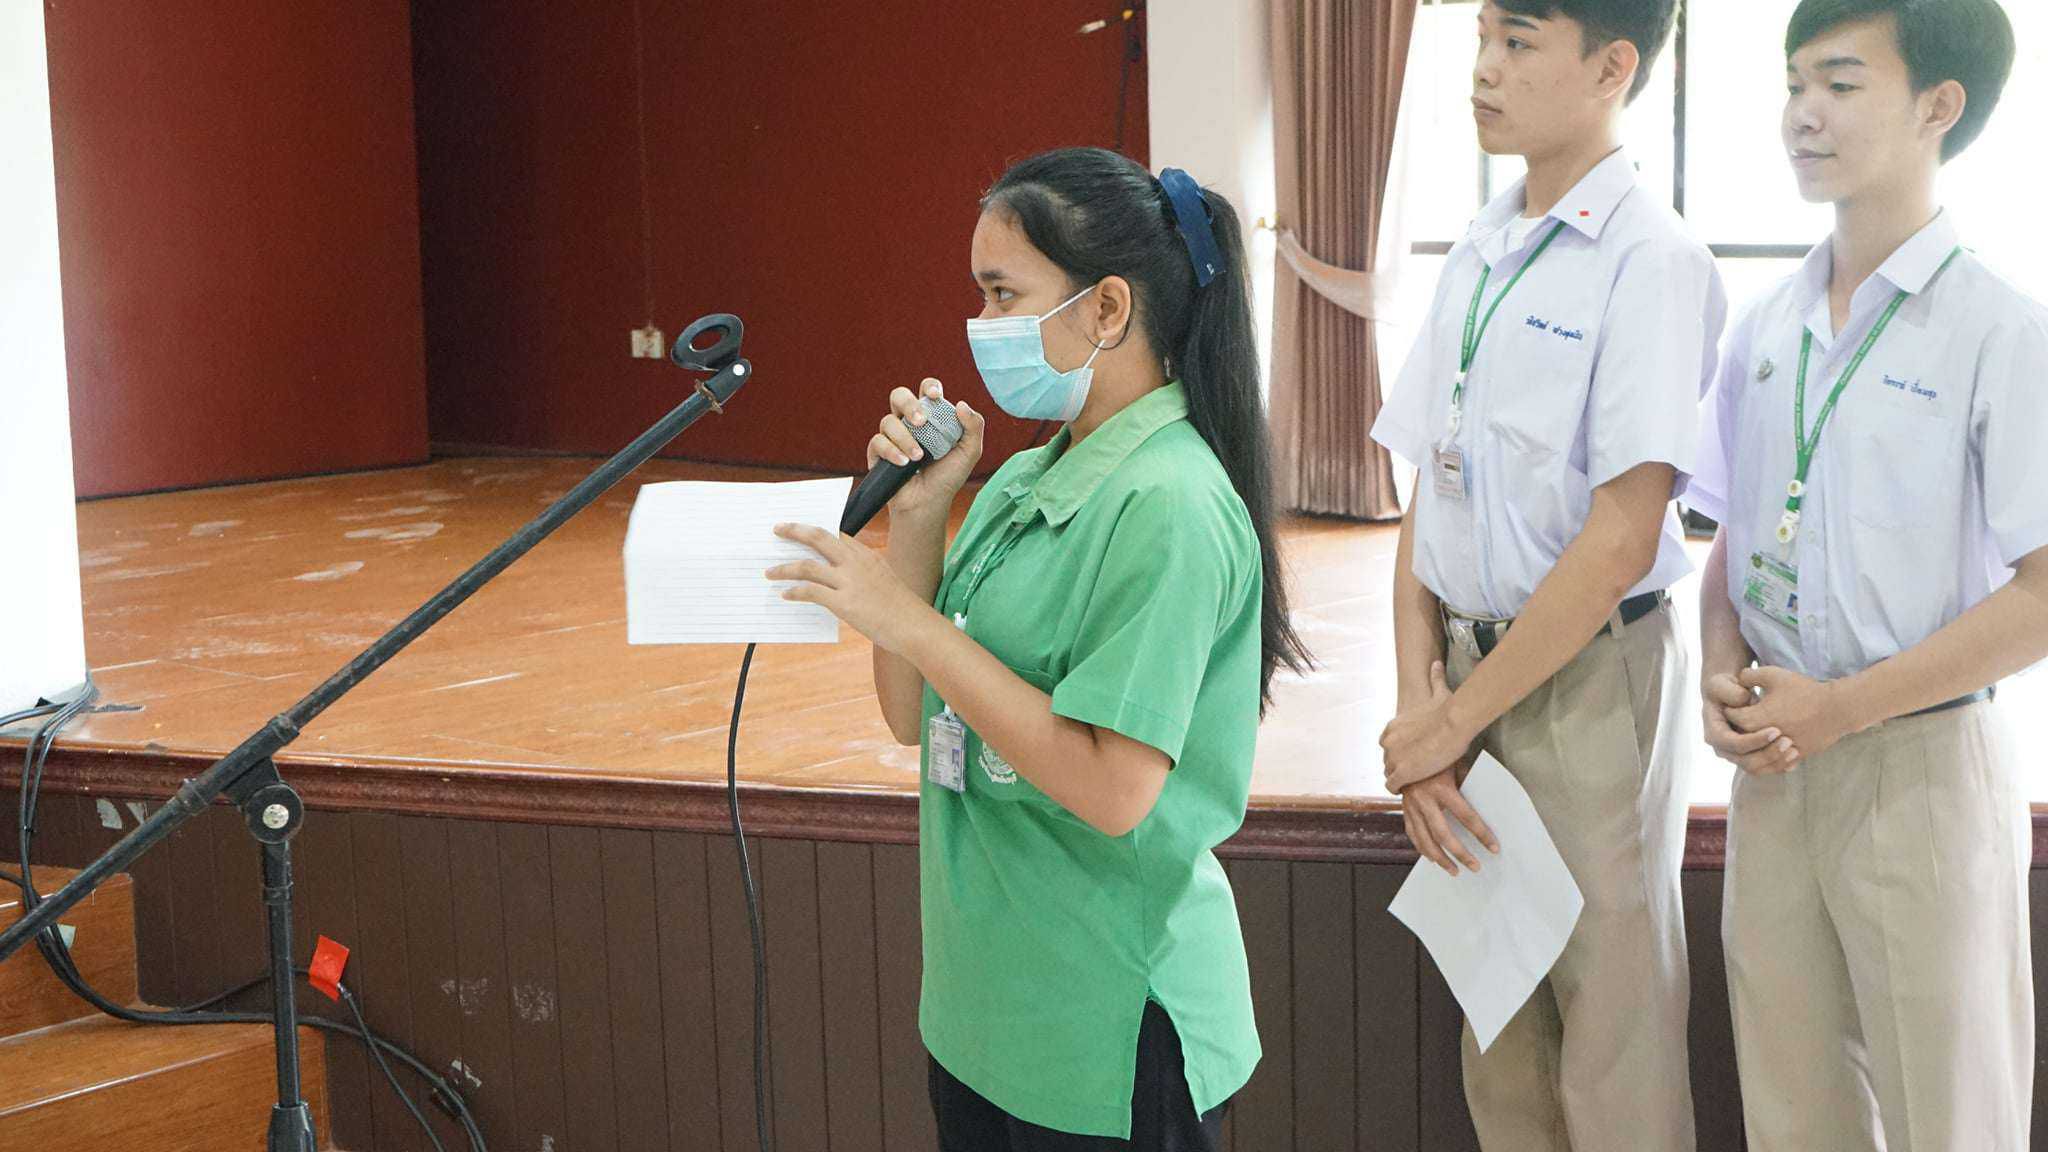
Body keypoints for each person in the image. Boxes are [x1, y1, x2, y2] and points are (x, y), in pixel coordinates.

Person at [767, 146, 1309, 1150]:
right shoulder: (1023, 481)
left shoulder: (1171, 504)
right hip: (985, 1013)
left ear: (1107, 308)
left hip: (1104, 1028)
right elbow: (911, 714)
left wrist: (910, 620)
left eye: (1002, 294)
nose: (981, 325)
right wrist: (919, 519)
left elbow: (1113, 789)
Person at [1687, 1, 2044, 1146]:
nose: (1802, 113)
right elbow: (1730, 538)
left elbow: (2042, 596)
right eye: (1793, 82)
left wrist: (1839, 708)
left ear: (1937, 106)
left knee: (1950, 1116)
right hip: (1776, 768)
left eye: (1839, 84)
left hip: (1916, 766)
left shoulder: (1998, 330)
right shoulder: (1764, 325)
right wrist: (1718, 673)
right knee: (1792, 1113)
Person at [1370, 1, 1722, 1148]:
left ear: (1612, 66)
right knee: (1500, 1035)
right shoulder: (1479, 247)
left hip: (1585, 684)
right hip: (1464, 683)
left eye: (1517, 43)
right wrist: (1423, 707)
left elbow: (1620, 535)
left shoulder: (1649, 261)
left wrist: (1451, 716)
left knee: (1611, 1040)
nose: (1483, 68)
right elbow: (1428, 492)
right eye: (1481, 36)